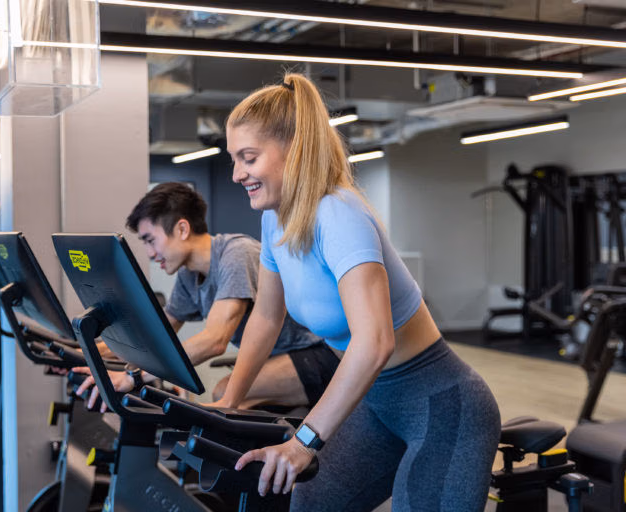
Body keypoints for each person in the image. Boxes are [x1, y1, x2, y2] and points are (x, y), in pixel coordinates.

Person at [212, 73, 501, 511]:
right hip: (377, 405)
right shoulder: (275, 220)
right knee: (310, 504)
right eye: (234, 159)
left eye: (248, 158)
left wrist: (304, 441)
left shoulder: (338, 215)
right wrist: (230, 403)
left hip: (442, 406)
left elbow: (375, 341)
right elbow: (266, 319)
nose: (237, 174)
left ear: (295, 148)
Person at [77, 182, 340, 411]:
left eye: (150, 240)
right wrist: (89, 352)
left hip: (319, 354)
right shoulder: (189, 275)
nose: (150, 253)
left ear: (182, 229)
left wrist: (134, 377)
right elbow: (157, 337)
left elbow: (214, 341)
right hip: (277, 358)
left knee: (224, 394)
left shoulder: (236, 254)